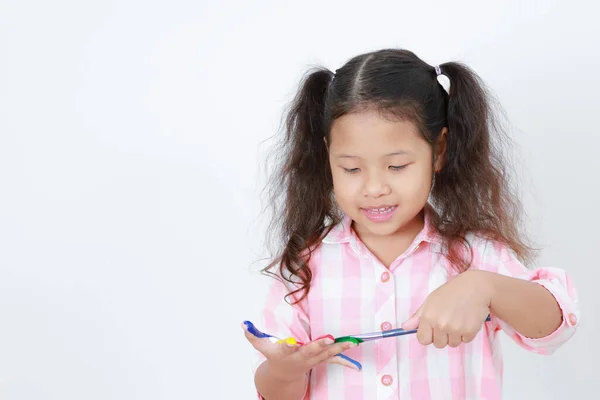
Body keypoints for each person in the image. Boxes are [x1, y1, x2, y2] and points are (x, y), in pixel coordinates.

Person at [242, 48, 579, 400]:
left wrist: (485, 287)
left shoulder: (474, 255)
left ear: (440, 150)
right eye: (351, 169)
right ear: (328, 155)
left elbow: (557, 326)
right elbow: (277, 392)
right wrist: (284, 370)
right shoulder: (305, 264)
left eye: (397, 166)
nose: (374, 188)